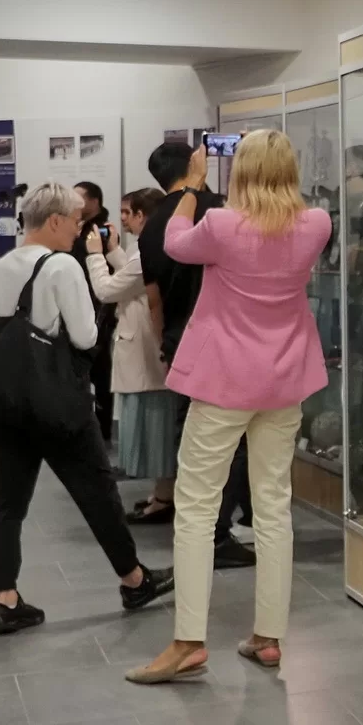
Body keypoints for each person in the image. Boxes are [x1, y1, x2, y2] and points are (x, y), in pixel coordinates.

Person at [128, 132, 331, 683]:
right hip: (284, 381)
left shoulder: (220, 226)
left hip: (223, 383)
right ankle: (269, 636)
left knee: (196, 507)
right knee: (273, 505)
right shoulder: (316, 224)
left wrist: (193, 186)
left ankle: (188, 641)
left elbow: (172, 241)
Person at [0, 182, 174, 634]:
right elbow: (85, 336)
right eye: (74, 220)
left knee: (5, 502)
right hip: (58, 401)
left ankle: (6, 599)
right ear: (54, 221)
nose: (79, 229)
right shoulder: (61, 266)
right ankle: (134, 580)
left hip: (8, 403)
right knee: (96, 492)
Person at [140, 140, 255, 568]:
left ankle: (195, 527)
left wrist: (165, 345)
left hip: (180, 341)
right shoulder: (220, 210)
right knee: (233, 441)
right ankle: (217, 533)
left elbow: (154, 300)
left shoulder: (152, 226)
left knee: (190, 439)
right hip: (226, 341)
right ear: (194, 163)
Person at [84, 188, 172, 523]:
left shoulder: (147, 251)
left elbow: (107, 289)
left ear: (141, 215)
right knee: (157, 429)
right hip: (146, 351)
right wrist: (114, 251)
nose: (121, 220)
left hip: (146, 354)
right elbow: (135, 278)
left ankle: (164, 498)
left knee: (156, 431)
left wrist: (95, 256)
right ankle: (162, 494)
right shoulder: (148, 247)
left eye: (126, 213)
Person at [73, 180, 116, 443]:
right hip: (76, 305)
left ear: (94, 201)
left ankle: (102, 431)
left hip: (99, 310)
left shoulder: (101, 230)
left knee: (99, 372)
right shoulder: (75, 227)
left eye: (79, 198)